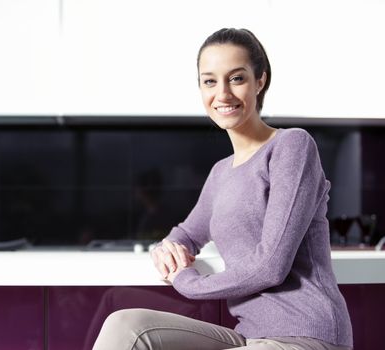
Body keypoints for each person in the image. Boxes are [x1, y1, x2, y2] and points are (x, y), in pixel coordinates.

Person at [92, 28, 353, 350]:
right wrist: (167, 247)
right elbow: (187, 234)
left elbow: (271, 266)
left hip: (306, 337)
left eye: (237, 78)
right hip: (251, 337)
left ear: (260, 81)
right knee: (126, 325)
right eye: (210, 81)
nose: (223, 94)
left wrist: (188, 282)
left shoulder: (291, 145)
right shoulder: (221, 172)